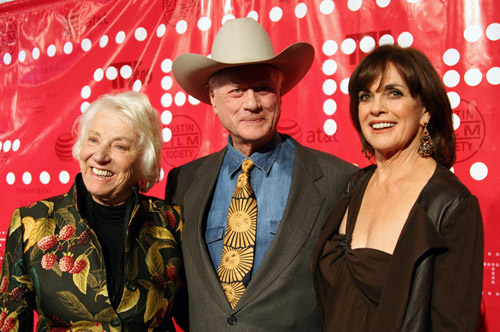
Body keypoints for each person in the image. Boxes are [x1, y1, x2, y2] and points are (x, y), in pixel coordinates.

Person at [165, 17, 357, 331]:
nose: (252, 103)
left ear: (281, 91)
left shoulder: (338, 179)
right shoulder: (183, 181)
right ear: (212, 98)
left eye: (263, 88)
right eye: (237, 91)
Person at [311, 44, 484, 331]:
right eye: (366, 96)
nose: (376, 108)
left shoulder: (451, 204)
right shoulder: (354, 186)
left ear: (425, 110)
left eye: (394, 93)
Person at [0, 91, 187, 331]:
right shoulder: (31, 221)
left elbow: (197, 313)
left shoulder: (172, 222)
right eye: (93, 140)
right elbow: (10, 324)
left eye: (120, 146)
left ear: (144, 160)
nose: (99, 156)